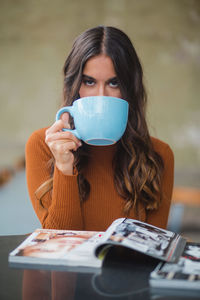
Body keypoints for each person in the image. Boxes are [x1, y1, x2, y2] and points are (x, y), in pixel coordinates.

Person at [26, 25, 174, 232]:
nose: (101, 96)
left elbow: (153, 250)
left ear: (130, 89)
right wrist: (64, 166)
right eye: (89, 82)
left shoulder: (159, 155)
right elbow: (58, 240)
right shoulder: (43, 145)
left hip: (127, 266)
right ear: (74, 86)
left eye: (114, 83)